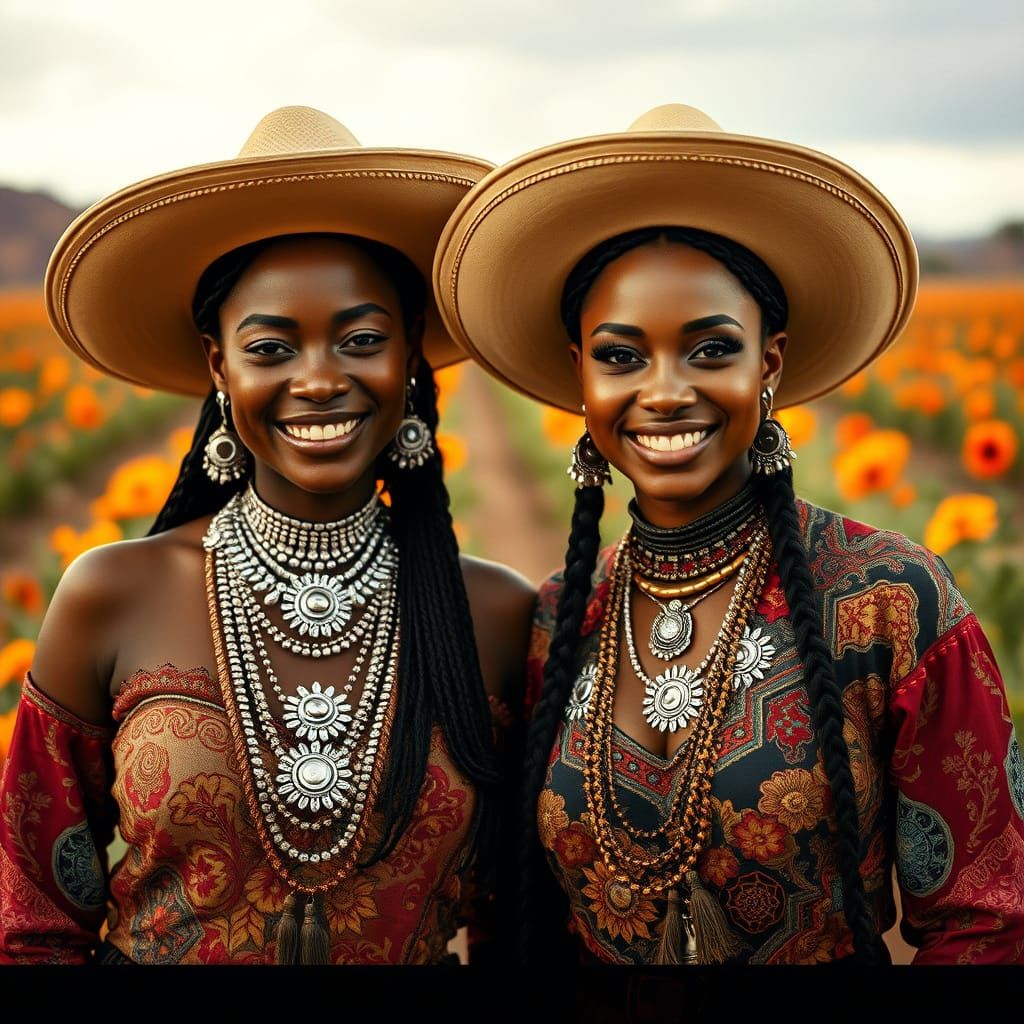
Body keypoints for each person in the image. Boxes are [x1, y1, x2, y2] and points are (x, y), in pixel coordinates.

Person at [434, 104, 1024, 964]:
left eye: (710, 350)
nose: (666, 391)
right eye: (621, 356)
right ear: (580, 374)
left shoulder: (889, 600)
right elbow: (517, 920)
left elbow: (988, 922)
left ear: (768, 363)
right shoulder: (560, 619)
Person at [0, 106, 534, 964]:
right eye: (272, 348)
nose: (318, 379)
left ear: (409, 357)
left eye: (362, 339)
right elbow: (31, 923)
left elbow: (521, 927)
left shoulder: (498, 615)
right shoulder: (114, 595)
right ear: (220, 366)